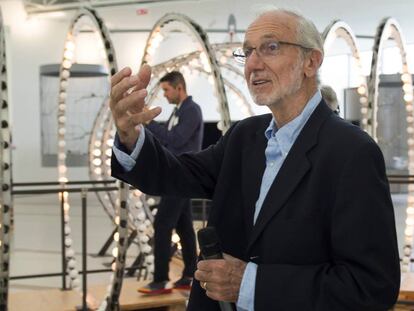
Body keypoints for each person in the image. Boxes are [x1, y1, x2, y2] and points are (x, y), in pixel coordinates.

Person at [110, 8, 400, 311]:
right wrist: (131, 136)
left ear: (311, 61)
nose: (253, 64)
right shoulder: (244, 136)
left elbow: (370, 287)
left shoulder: (351, 152)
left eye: (270, 48)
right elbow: (177, 174)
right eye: (247, 52)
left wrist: (250, 284)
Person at [139, 71, 203, 294]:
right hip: (176, 175)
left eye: (166, 90)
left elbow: (175, 139)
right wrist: (148, 123)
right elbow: (166, 135)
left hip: (180, 177)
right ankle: (189, 274)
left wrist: (149, 122)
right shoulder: (179, 111)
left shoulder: (192, 111)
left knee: (162, 225)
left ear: (179, 87)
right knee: (184, 227)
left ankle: (160, 280)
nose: (164, 95)